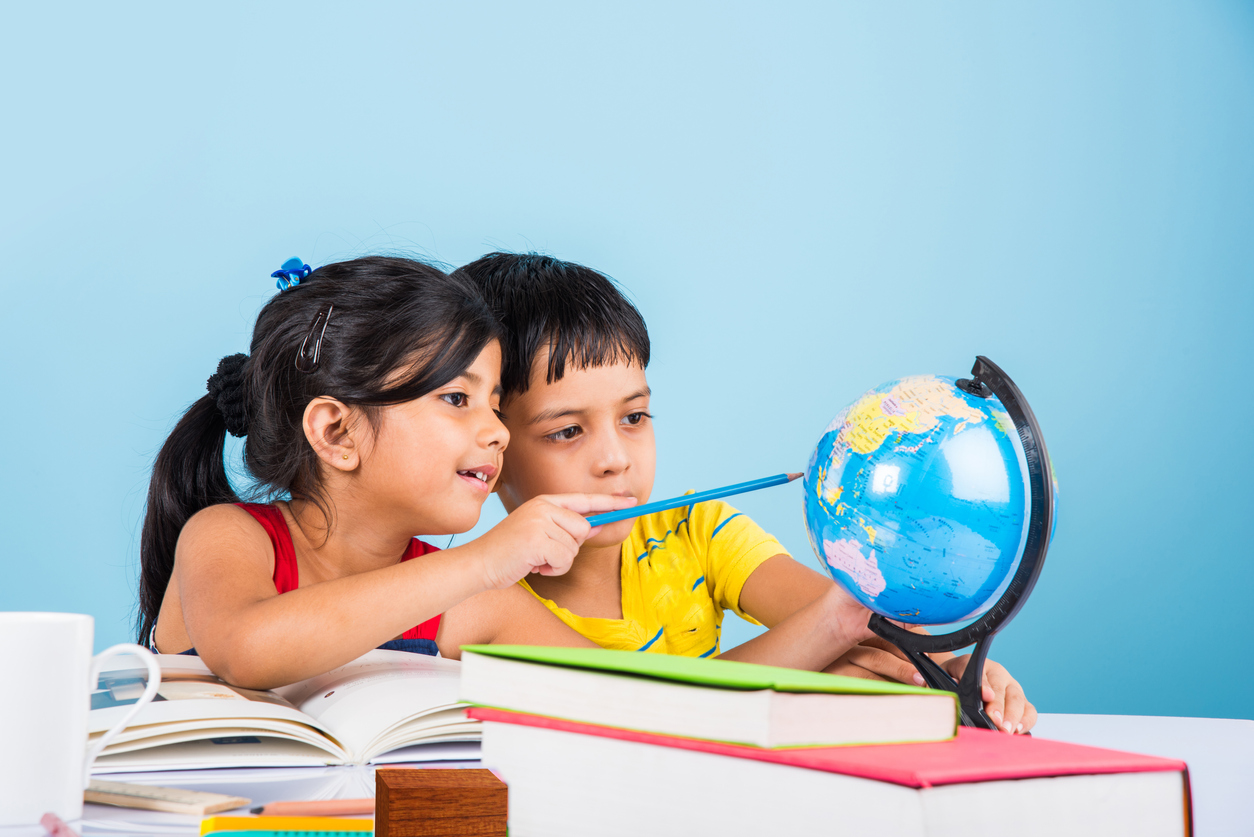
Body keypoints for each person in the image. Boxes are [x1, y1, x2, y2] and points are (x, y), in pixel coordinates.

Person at [455, 252, 1037, 734]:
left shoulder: (694, 528)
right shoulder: (484, 594)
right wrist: (829, 639)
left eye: (634, 417)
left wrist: (962, 667)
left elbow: (865, 628)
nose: (615, 460)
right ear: (495, 451)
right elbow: (652, 714)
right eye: (567, 432)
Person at [137, 256, 631, 690]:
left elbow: (637, 701)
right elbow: (246, 649)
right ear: (336, 433)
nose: (499, 433)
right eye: (457, 398)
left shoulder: (475, 605)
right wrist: (482, 563)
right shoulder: (228, 537)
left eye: (496, 406)